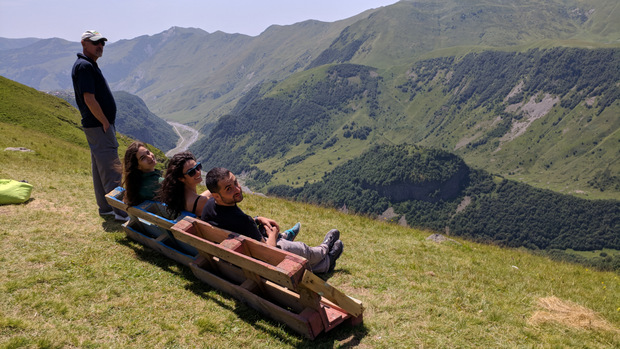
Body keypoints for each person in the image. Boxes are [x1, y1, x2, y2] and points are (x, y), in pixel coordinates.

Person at [202, 167, 343, 274]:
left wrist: (258, 219)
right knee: (302, 250)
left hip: (233, 261)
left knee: (275, 236)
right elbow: (268, 253)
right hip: (257, 266)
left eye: (235, 183)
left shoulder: (209, 206)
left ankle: (286, 238)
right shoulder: (244, 222)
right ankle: (325, 254)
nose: (237, 189)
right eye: (229, 189)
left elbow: (232, 223)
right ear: (217, 195)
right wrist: (273, 235)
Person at [71, 30, 127, 221]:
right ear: (84, 43)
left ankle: (105, 208)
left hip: (95, 125)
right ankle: (121, 212)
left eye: (102, 43)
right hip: (99, 125)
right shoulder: (85, 66)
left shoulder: (87, 65)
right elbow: (89, 98)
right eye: (95, 43)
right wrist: (104, 121)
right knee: (112, 168)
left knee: (99, 167)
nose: (100, 46)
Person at [122, 141, 162, 206]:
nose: (149, 157)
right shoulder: (160, 182)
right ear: (137, 166)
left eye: (148, 152)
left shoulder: (134, 185)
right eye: (143, 158)